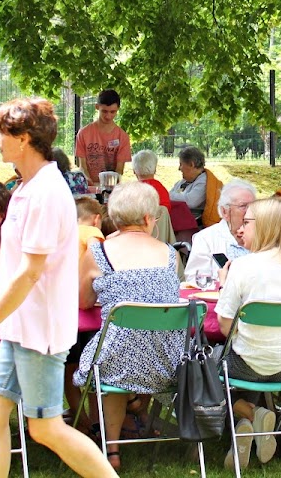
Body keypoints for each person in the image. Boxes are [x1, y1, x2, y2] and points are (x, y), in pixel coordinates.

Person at [0, 97, 117, 478]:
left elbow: (29, 274)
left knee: (45, 427)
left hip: (39, 331)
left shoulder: (46, 191)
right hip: (20, 325)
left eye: (2, 133)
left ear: (24, 139)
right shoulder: (28, 186)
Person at [73, 182, 182, 470]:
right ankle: (137, 403)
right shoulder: (170, 255)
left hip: (115, 359)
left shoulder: (99, 253)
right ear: (148, 219)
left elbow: (83, 301)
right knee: (142, 343)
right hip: (167, 363)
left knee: (116, 357)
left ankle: (113, 451)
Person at [216, 197, 281, 469]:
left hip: (245, 366)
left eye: (246, 221)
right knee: (248, 358)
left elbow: (224, 327)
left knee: (198, 365)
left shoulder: (243, 266)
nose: (241, 227)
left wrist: (223, 286)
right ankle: (253, 418)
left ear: (263, 226)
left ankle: (248, 414)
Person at [184, 179, 256, 278]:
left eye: (253, 206)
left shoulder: (265, 236)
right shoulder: (206, 238)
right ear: (225, 212)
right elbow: (196, 279)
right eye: (243, 206)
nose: (250, 211)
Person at [75, 89, 132, 178]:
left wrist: (108, 186)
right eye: (104, 111)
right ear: (97, 107)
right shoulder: (83, 133)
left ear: (118, 109)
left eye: (112, 112)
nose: (108, 116)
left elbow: (119, 170)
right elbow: (83, 167)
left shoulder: (122, 137)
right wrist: (91, 185)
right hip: (90, 187)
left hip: (111, 187)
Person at [169, 146, 210, 223]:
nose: (179, 168)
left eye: (181, 164)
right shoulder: (182, 182)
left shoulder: (205, 182)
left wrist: (168, 195)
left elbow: (190, 201)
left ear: (191, 164)